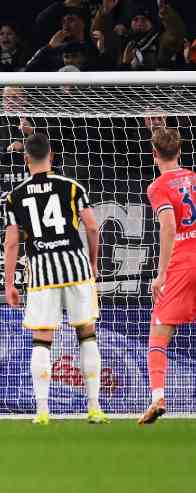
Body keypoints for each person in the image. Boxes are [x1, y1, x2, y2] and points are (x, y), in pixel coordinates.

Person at [3, 133, 108, 426]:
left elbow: (11, 243)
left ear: (26, 160)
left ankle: (42, 411)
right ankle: (95, 408)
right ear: (52, 155)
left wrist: (10, 283)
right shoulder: (72, 187)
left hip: (42, 272)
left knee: (42, 339)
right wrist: (93, 262)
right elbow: (92, 227)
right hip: (75, 267)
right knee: (86, 334)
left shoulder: (15, 196)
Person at [139, 128, 196, 425]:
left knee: (159, 336)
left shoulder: (158, 186)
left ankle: (158, 397)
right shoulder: (194, 178)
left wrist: (161, 275)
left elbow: (169, 227)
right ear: (181, 152)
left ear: (154, 155)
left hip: (182, 265)